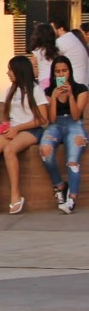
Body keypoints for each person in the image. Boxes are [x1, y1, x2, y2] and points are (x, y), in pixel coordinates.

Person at [0, 55, 48, 215]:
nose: (8, 73)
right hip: (13, 129)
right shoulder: (10, 90)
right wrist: (5, 126)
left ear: (19, 71)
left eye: (10, 70)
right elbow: (7, 116)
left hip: (32, 129)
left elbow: (43, 119)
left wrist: (18, 129)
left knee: (9, 150)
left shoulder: (35, 90)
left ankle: (15, 195)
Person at [39, 54, 88, 215]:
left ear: (70, 71)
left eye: (64, 71)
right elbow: (51, 119)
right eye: (57, 71)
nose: (61, 74)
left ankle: (72, 198)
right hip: (55, 125)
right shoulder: (48, 91)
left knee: (72, 160)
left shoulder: (81, 89)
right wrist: (53, 98)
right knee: (45, 150)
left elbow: (76, 116)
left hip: (74, 124)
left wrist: (71, 95)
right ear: (53, 73)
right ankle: (60, 186)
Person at [52, 17, 89, 84]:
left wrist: (60, 85)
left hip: (74, 82)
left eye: (53, 29)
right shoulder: (72, 37)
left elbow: (54, 64)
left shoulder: (61, 41)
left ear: (61, 29)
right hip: (82, 81)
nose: (51, 31)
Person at [28, 22, 59, 90]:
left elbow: (30, 66)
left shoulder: (37, 50)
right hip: (58, 79)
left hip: (44, 79)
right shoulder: (57, 50)